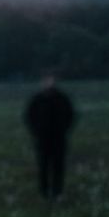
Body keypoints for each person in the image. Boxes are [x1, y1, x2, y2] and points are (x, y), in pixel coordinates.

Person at [24, 71, 76, 200]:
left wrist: (64, 130)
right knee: (43, 166)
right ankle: (44, 192)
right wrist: (35, 132)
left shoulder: (62, 98)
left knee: (58, 166)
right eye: (46, 80)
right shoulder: (37, 99)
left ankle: (57, 191)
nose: (49, 82)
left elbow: (71, 115)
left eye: (51, 79)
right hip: (42, 140)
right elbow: (29, 116)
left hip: (59, 139)